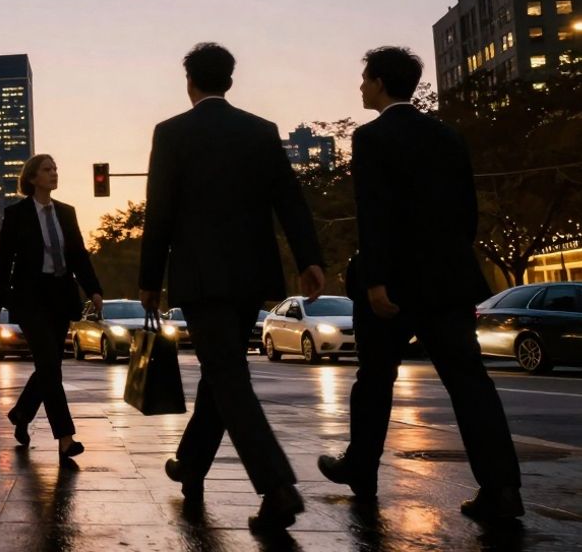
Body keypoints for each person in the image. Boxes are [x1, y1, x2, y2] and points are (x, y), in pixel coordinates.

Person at [318, 47, 522, 521]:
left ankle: (362, 470)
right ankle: (502, 489)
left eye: (365, 78)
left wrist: (376, 280)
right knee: (470, 384)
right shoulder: (447, 136)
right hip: (448, 282)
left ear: (382, 83)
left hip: (393, 286)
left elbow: (376, 213)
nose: (361, 86)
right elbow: (467, 212)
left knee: (374, 380)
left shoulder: (371, 138)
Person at [138, 42, 325, 532]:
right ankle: (191, 463)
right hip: (250, 276)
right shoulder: (259, 131)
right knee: (223, 371)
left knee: (227, 376)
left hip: (200, 278)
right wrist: (309, 259)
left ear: (189, 83)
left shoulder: (172, 133)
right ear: (230, 81)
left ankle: (277, 487)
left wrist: (149, 281)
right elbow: (290, 199)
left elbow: (159, 212)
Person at [0, 154, 103, 462]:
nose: (54, 174)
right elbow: (4, 262)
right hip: (30, 299)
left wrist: (93, 290)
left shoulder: (67, 212)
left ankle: (22, 413)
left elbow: (79, 254)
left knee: (50, 367)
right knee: (50, 366)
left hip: (61, 296)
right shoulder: (16, 214)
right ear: (33, 177)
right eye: (47, 170)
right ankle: (65, 438)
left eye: (55, 169)